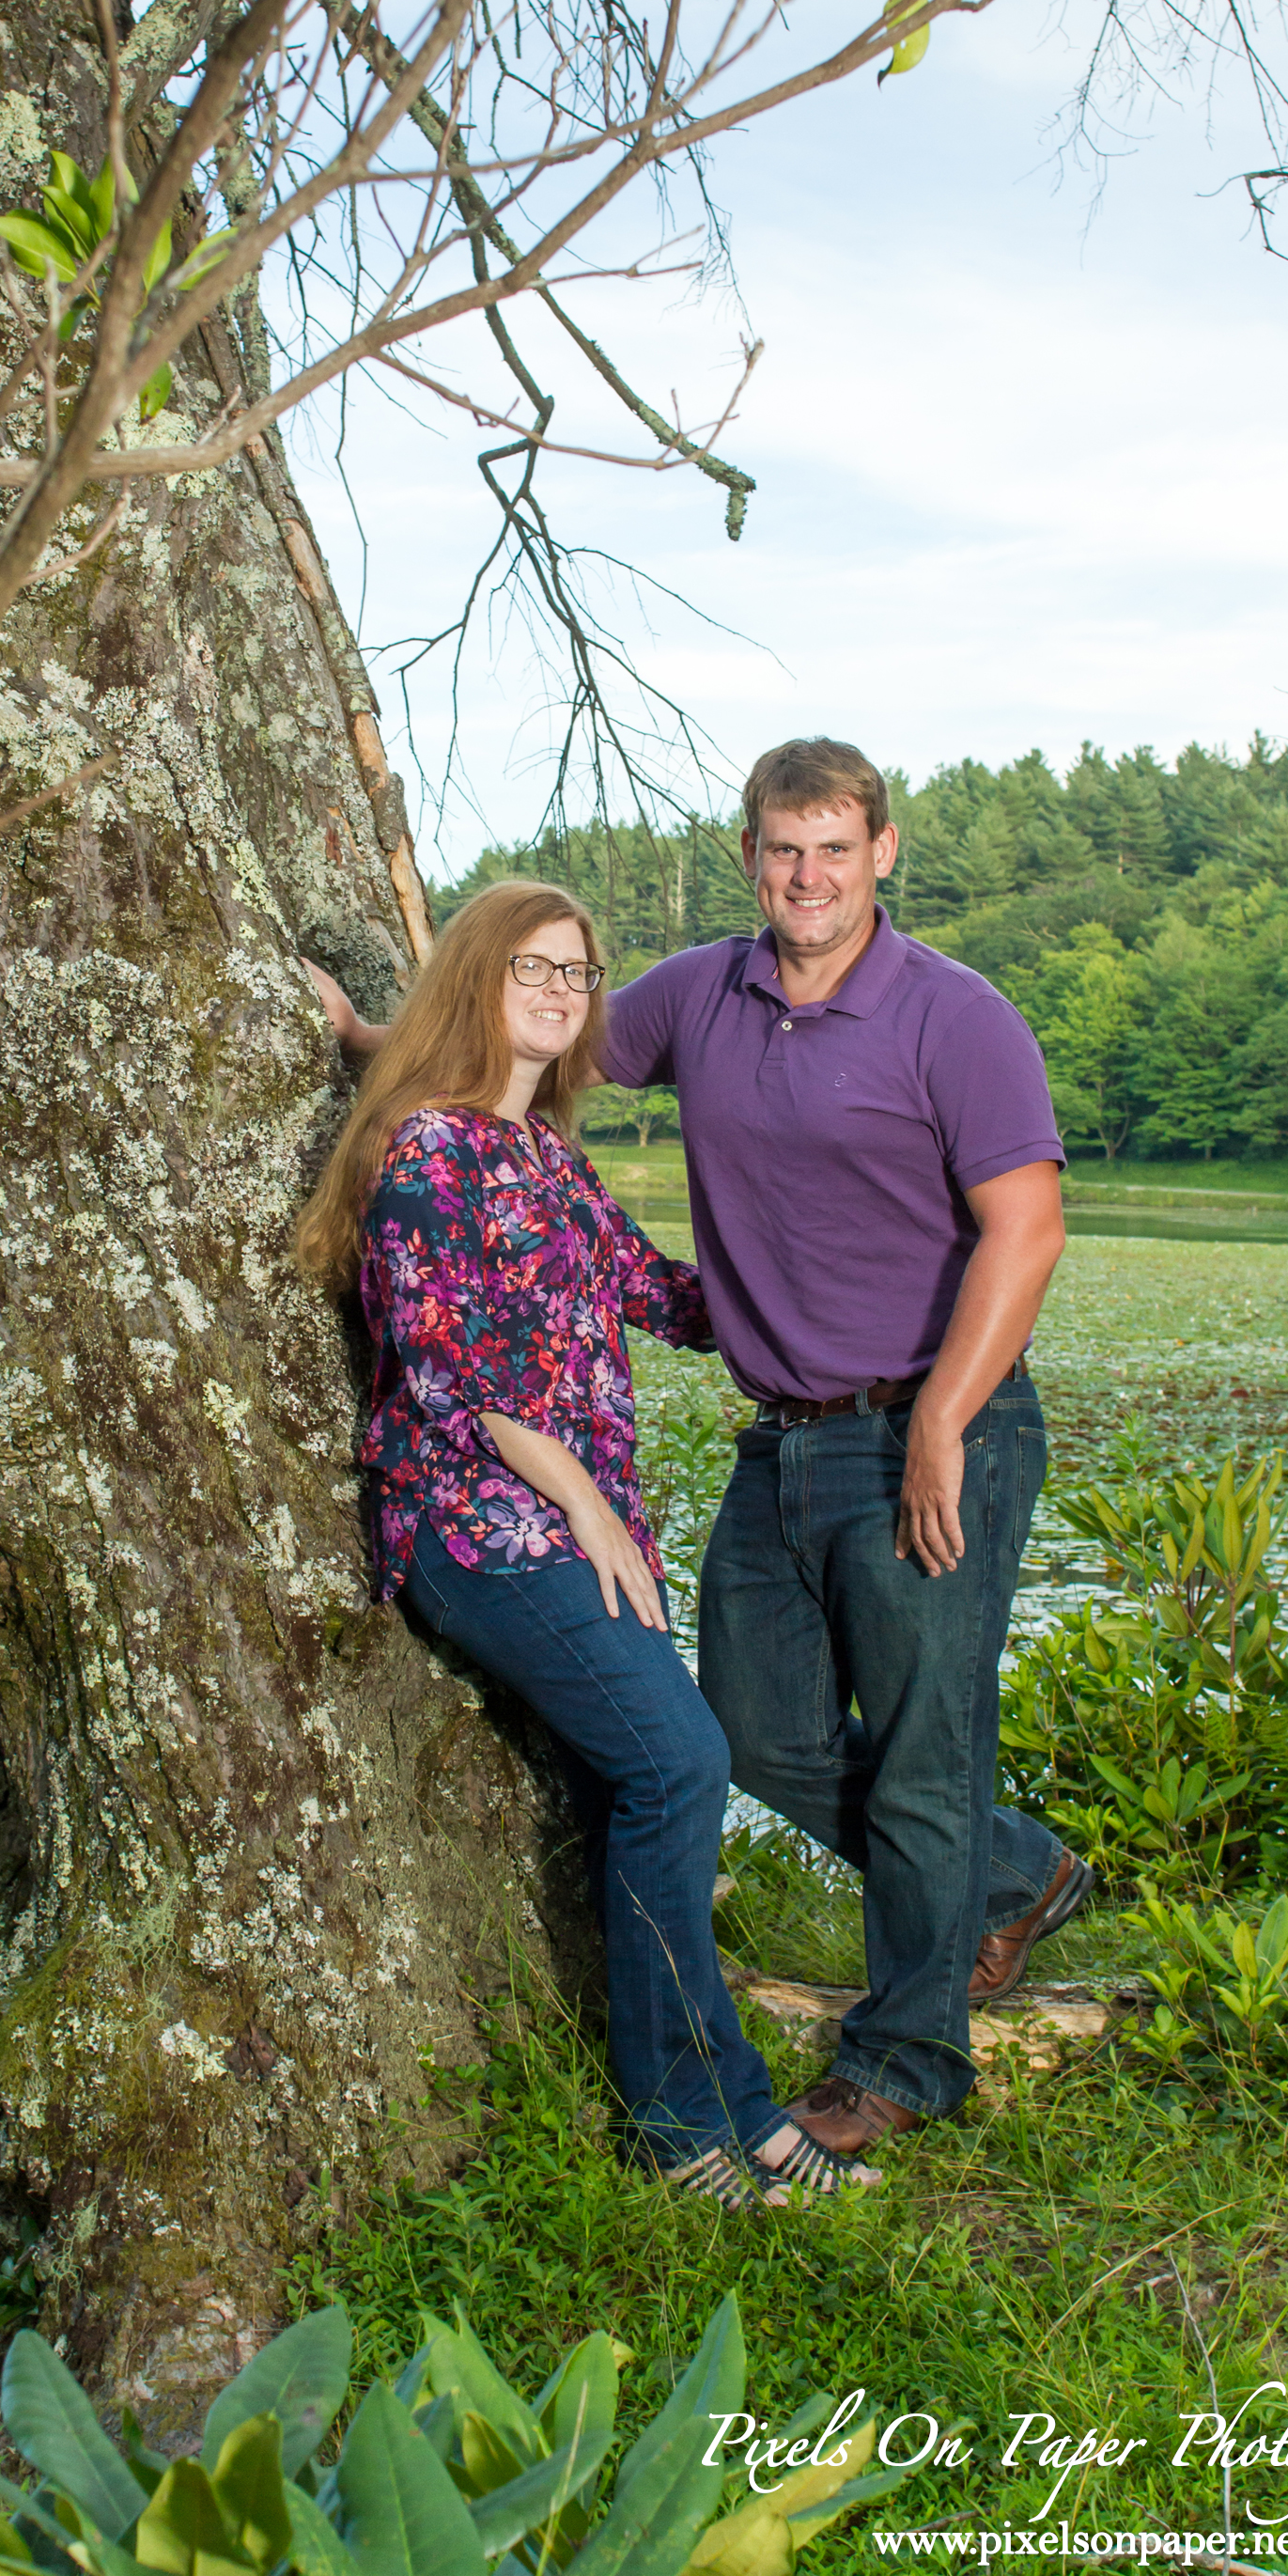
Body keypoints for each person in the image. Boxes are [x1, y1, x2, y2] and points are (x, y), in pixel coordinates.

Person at [308, 742, 1087, 2162]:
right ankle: (1013, 1870)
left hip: (932, 1425)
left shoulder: (954, 1018)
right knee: (755, 1732)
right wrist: (382, 1043)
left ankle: (903, 2060)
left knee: (919, 1758)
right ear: (750, 857)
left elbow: (1025, 1232)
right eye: (785, 849)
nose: (810, 876)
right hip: (778, 1442)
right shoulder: (695, 999)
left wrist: (941, 1428)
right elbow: (520, 1035)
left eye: (836, 848)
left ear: (884, 852)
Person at [295, 878, 874, 2208]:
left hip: (567, 1526)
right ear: (476, 982)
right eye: (531, 969)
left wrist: (841, 1269)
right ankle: (684, 2131)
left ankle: (734, 2114)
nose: (560, 991)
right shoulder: (425, 1153)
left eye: (578, 972)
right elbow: (460, 1376)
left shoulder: (547, 1160)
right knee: (682, 1760)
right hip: (477, 1527)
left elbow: (667, 1299)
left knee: (660, 1777)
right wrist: (590, 1506)